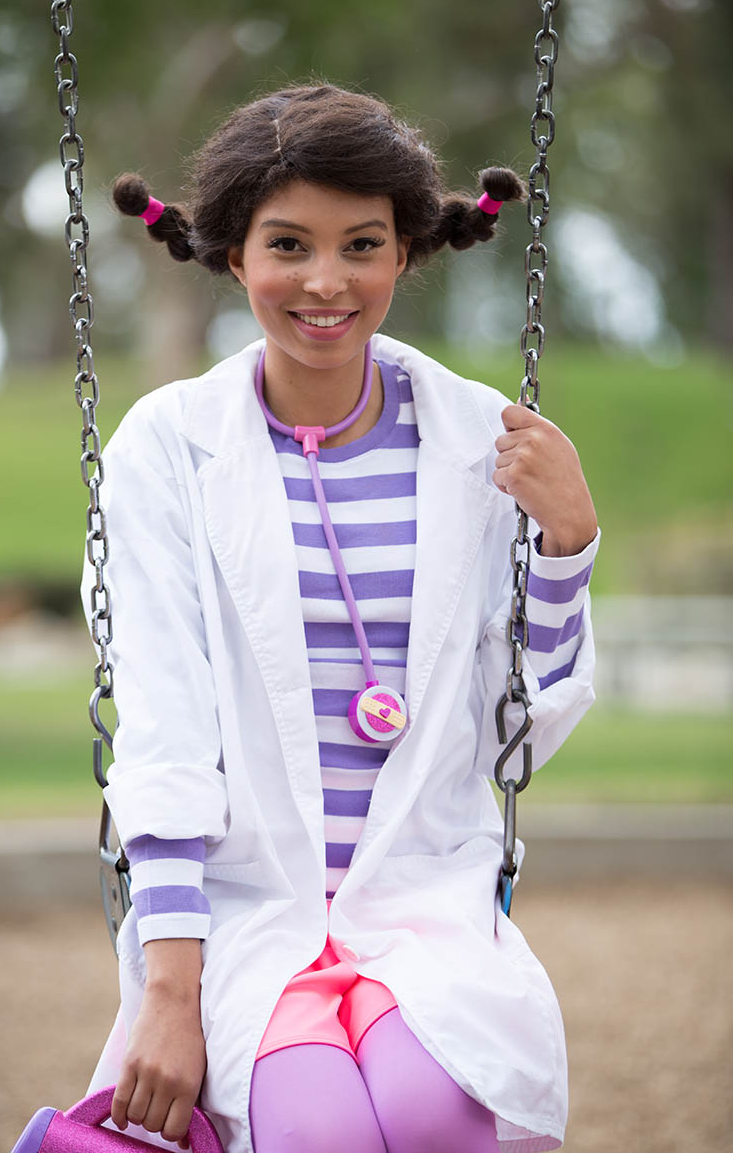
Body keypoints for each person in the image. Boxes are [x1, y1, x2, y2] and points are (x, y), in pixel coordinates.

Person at [81, 82, 599, 1153]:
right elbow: (164, 732)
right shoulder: (168, 446)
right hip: (246, 906)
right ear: (232, 255)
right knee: (317, 1128)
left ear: (405, 252)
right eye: (288, 245)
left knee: (434, 1110)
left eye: (361, 245)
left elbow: (519, 731)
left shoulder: (482, 441)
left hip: (421, 895)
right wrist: (168, 994)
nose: (326, 282)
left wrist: (566, 546)